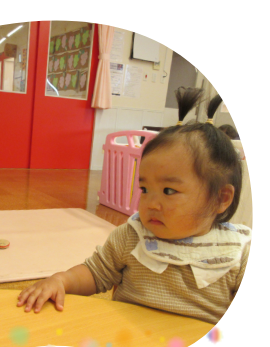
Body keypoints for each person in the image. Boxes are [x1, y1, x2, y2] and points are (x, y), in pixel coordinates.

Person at [17, 88, 251, 325]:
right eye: (145, 189)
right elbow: (95, 273)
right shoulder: (132, 236)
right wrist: (62, 280)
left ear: (221, 198)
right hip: (127, 337)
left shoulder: (237, 253)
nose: (150, 203)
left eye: (169, 191)